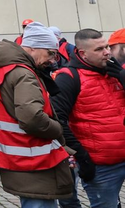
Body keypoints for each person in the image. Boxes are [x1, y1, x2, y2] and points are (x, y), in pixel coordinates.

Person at [0, 22, 73, 208]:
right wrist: (58, 129)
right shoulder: (24, 73)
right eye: (50, 53)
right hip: (33, 158)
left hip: (14, 153)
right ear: (33, 48)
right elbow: (32, 118)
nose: (53, 59)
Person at [53, 29, 125, 208]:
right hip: (102, 167)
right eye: (99, 49)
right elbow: (57, 121)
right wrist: (82, 158)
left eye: (107, 46)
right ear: (83, 53)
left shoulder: (115, 71)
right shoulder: (68, 77)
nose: (107, 52)